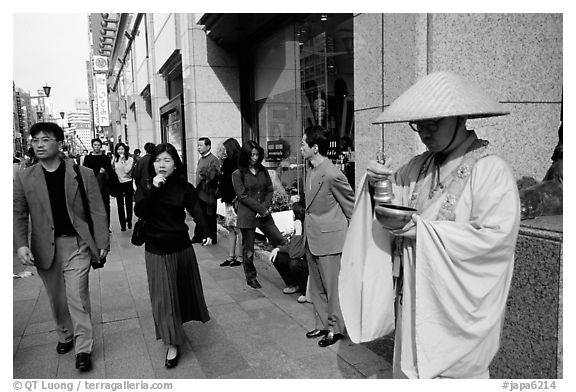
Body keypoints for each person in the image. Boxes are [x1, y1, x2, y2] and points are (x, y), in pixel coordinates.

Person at [346, 71, 521, 378]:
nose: (424, 132)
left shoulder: (492, 171)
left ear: (461, 117)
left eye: (433, 123)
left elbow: (495, 242)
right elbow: (388, 204)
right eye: (419, 124)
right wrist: (375, 183)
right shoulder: (419, 166)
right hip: (413, 303)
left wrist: (425, 232)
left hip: (455, 318)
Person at [13, 122, 109, 372]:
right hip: (46, 247)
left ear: (59, 142)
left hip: (77, 245)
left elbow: (97, 209)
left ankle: (83, 348)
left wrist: (103, 243)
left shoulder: (81, 173)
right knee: (57, 300)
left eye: (45, 139)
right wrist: (21, 244)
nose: (39, 144)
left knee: (77, 297)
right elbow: (19, 213)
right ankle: (64, 334)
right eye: (35, 140)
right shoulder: (25, 176)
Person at [134, 143, 211, 369]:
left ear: (175, 163)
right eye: (158, 160)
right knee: (163, 298)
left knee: (181, 292)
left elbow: (196, 209)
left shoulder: (183, 187)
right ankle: (172, 342)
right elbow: (140, 211)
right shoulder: (147, 185)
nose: (162, 164)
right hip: (156, 249)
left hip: (181, 247)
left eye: (167, 160)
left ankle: (177, 326)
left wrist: (205, 231)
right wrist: (153, 189)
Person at [300, 125, 355, 347]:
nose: (301, 147)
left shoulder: (332, 174)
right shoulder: (309, 169)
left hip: (331, 239)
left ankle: (335, 328)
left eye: (304, 144)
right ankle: (322, 324)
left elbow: (351, 207)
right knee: (316, 287)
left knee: (333, 288)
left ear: (315, 148)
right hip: (312, 237)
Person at [232, 140, 287, 289]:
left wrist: (265, 208)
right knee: (248, 250)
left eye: (256, 154)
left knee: (280, 240)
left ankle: (289, 274)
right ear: (245, 156)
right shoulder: (237, 174)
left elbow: (269, 189)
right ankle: (251, 277)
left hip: (264, 214)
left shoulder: (262, 170)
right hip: (248, 215)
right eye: (251, 155)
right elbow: (242, 196)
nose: (254, 158)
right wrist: (260, 209)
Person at [269, 201, 309, 301]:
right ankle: (294, 285)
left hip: (310, 264)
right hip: (301, 258)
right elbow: (291, 246)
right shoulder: (299, 226)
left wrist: (298, 231)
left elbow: (295, 253)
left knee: (294, 263)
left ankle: (306, 291)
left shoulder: (307, 228)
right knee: (277, 257)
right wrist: (278, 249)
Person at [217, 138, 243, 267]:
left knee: (238, 228)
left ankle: (241, 256)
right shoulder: (228, 161)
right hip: (229, 199)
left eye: (225, 148)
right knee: (231, 228)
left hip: (235, 200)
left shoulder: (236, 162)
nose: (223, 151)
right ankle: (231, 255)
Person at [192, 137, 221, 245]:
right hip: (199, 192)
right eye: (198, 145)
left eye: (200, 145)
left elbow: (215, 176)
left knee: (209, 216)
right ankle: (199, 236)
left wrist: (207, 176)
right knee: (200, 215)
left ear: (208, 146)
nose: (198, 148)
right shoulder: (201, 159)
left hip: (208, 193)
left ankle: (211, 237)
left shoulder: (213, 159)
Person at [83, 138, 115, 226]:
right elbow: (85, 171)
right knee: (94, 206)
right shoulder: (88, 158)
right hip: (92, 185)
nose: (97, 147)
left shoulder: (105, 158)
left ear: (101, 146)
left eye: (98, 145)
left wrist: (105, 172)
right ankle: (96, 225)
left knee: (105, 205)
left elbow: (110, 171)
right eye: (95, 145)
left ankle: (106, 225)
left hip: (104, 186)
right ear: (92, 146)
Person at [112, 142, 134, 231]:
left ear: (125, 150)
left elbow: (127, 170)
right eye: (118, 149)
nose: (120, 151)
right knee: (120, 204)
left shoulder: (130, 159)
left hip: (127, 182)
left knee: (128, 203)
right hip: (118, 184)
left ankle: (129, 220)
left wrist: (123, 160)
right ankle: (122, 225)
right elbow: (112, 170)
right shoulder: (114, 159)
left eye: (122, 149)